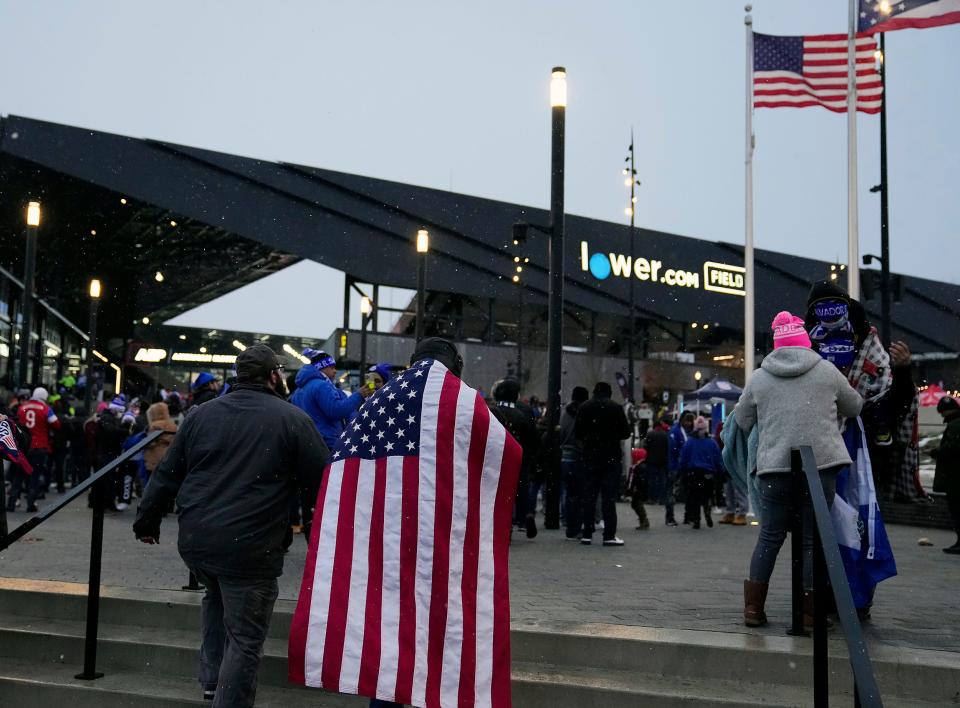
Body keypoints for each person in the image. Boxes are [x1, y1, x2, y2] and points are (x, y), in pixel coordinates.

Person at [134, 344, 329, 707]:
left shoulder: (200, 416)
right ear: (274, 376)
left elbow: (167, 473)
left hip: (200, 541)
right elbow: (325, 480)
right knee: (245, 637)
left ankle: (211, 680)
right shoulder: (291, 420)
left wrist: (148, 520)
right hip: (250, 545)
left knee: (216, 597)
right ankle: (228, 698)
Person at [734, 311, 862, 628]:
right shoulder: (827, 372)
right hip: (821, 468)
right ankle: (808, 612)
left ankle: (753, 608)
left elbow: (742, 419)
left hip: (774, 469)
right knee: (811, 539)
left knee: (769, 537)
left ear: (777, 345)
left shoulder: (760, 378)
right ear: (806, 343)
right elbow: (855, 405)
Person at [574, 382, 631, 546]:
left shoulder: (584, 407)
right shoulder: (616, 408)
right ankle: (609, 535)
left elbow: (578, 433)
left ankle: (587, 533)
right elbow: (626, 433)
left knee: (589, 496)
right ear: (609, 393)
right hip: (610, 457)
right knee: (609, 498)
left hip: (590, 456)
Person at [291, 349, 372, 450]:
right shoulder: (322, 385)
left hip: (307, 441)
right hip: (325, 442)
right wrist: (359, 395)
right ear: (321, 367)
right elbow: (335, 411)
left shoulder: (298, 391)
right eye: (332, 367)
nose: (335, 371)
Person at [491, 377, 540, 539]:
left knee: (496, 494)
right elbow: (533, 441)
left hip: (494, 460)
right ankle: (522, 516)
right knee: (518, 492)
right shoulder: (522, 415)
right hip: (517, 461)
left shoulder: (490, 412)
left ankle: (502, 525)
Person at [14, 387, 61, 509]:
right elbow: (56, 424)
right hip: (39, 446)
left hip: (23, 447)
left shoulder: (22, 408)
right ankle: (31, 503)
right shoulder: (46, 409)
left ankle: (12, 501)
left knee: (19, 475)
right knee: (35, 475)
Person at [679, 416, 724, 529]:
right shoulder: (711, 443)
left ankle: (696, 520)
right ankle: (707, 512)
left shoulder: (689, 442)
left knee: (695, 497)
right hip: (708, 473)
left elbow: (684, 459)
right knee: (707, 496)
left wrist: (682, 472)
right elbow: (717, 458)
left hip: (694, 473)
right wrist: (720, 472)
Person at [559, 386, 590, 539]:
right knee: (579, 495)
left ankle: (568, 524)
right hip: (578, 456)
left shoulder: (565, 412)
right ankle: (577, 527)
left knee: (569, 493)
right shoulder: (583, 413)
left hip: (564, 455)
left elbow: (561, 432)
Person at [932, 396, 960, 554]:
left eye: (943, 412)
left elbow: (952, 449)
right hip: (955, 476)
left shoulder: (955, 425)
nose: (942, 416)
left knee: (957, 510)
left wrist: (937, 452)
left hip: (955, 478)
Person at [715, 419, 748, 525]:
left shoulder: (742, 428)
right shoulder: (725, 427)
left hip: (738, 463)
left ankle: (742, 513)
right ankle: (731, 512)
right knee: (728, 490)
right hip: (728, 463)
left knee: (740, 489)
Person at [644, 417, 673, 526]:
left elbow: (646, 447)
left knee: (652, 480)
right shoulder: (665, 435)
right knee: (662, 480)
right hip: (662, 461)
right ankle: (662, 498)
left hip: (651, 461)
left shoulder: (650, 434)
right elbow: (668, 448)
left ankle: (652, 498)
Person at [668, 412, 695, 524]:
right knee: (672, 492)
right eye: (687, 421)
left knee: (688, 492)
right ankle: (670, 516)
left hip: (685, 466)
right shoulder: (675, 431)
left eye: (690, 421)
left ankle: (688, 516)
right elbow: (672, 449)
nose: (688, 423)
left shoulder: (690, 432)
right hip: (675, 465)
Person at [143, 402, 178, 480]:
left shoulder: (155, 425)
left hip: (154, 458)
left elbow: (150, 443)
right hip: (168, 457)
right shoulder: (172, 425)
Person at [628, 447, 650, 530]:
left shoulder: (639, 467)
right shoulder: (639, 466)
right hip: (639, 490)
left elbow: (638, 480)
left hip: (639, 490)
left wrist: (635, 488)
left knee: (637, 505)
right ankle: (643, 520)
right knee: (636, 505)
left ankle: (644, 520)